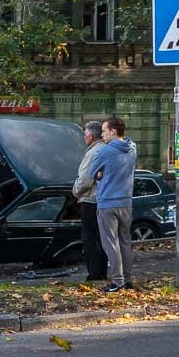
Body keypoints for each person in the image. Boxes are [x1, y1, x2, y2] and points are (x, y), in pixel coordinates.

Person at [91, 116, 137, 293]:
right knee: (125, 241)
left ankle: (117, 282)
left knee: (111, 243)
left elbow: (91, 173)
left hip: (107, 202)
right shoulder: (132, 148)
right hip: (126, 201)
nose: (102, 134)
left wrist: (101, 174)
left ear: (113, 131)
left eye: (104, 131)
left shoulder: (104, 151)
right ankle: (128, 279)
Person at [72, 121, 108, 282]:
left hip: (90, 199)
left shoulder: (94, 152)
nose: (84, 137)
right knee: (101, 238)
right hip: (101, 199)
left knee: (90, 239)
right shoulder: (105, 149)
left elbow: (85, 180)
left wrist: (75, 191)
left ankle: (95, 274)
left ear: (91, 135)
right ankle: (101, 271)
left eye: (85, 134)